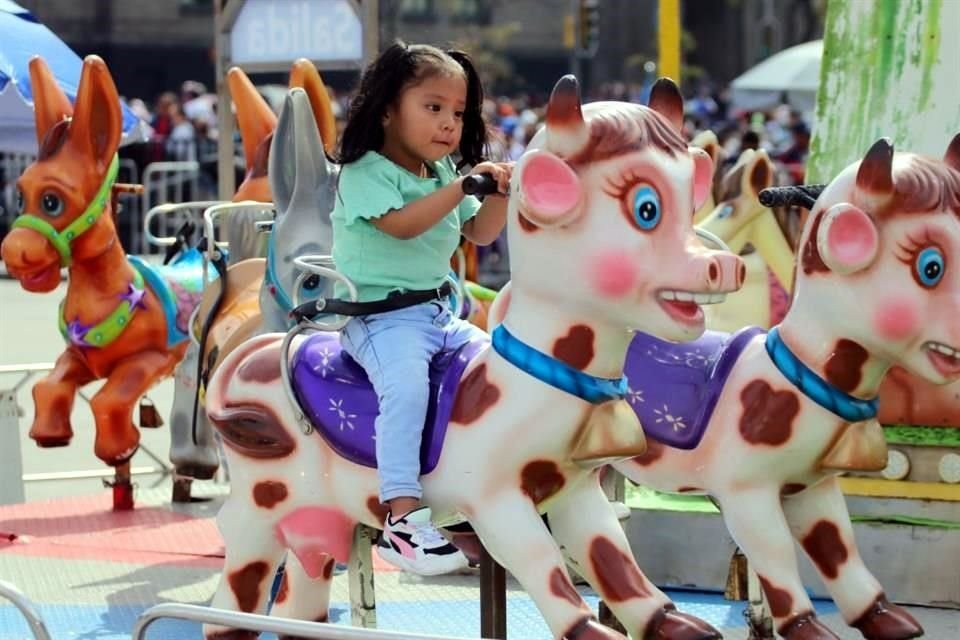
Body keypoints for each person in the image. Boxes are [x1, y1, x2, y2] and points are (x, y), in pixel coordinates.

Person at [331, 42, 512, 575]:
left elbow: (481, 233)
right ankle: (402, 518)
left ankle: (479, 488)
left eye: (457, 113)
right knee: (406, 387)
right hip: (380, 320)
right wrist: (462, 185)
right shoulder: (366, 172)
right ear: (388, 108)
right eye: (433, 108)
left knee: (496, 371)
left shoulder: (438, 175)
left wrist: (499, 190)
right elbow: (405, 225)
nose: (448, 124)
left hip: (439, 316)